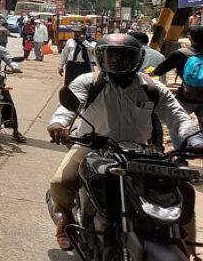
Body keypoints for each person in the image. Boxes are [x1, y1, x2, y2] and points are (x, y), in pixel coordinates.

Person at [46, 33, 202, 251]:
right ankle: (64, 219)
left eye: (123, 57)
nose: (116, 62)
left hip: (140, 151)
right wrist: (58, 125)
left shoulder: (152, 88)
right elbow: (68, 108)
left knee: (179, 194)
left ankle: (188, 250)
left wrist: (194, 139)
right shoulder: (89, 82)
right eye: (110, 56)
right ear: (100, 58)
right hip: (92, 146)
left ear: (137, 59)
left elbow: (177, 117)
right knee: (60, 182)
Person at [152, 25, 203, 145]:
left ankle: (179, 152)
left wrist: (148, 74)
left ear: (190, 37)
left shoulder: (182, 53)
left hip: (186, 97)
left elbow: (159, 71)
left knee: (177, 123)